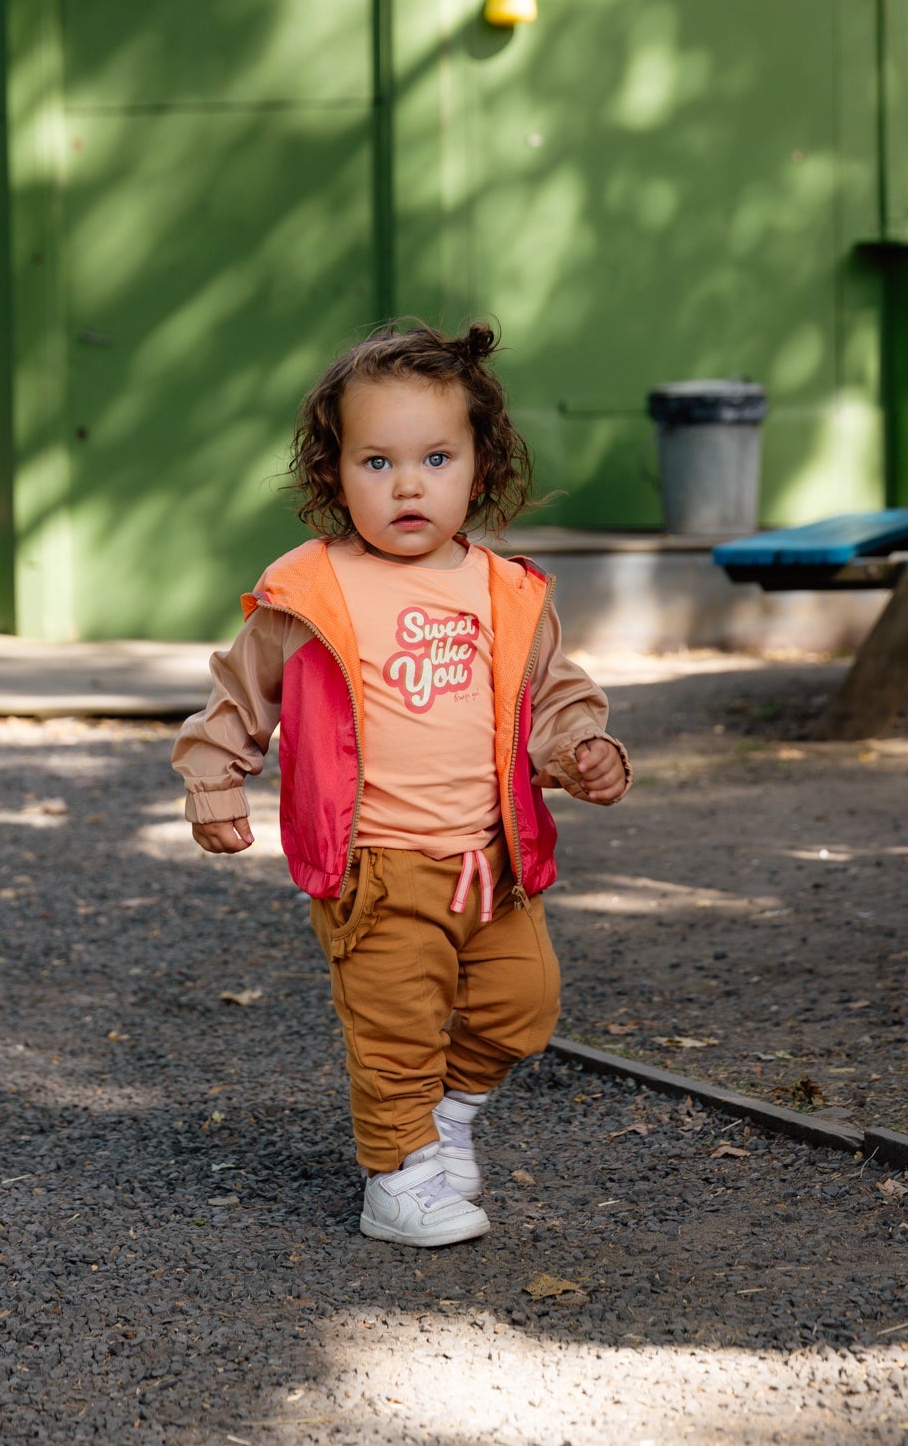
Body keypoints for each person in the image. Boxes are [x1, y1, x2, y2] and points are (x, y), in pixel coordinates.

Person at [172, 321, 631, 1247]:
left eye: (434, 457)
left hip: (492, 860)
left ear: (479, 464)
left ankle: (447, 1121)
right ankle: (397, 1175)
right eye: (376, 460)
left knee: (523, 1006)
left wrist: (582, 747)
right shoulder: (311, 590)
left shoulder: (507, 590)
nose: (408, 483)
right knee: (395, 1028)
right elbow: (238, 694)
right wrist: (216, 782)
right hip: (375, 865)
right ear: (333, 474)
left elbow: (554, 696)